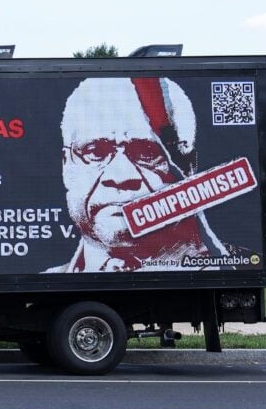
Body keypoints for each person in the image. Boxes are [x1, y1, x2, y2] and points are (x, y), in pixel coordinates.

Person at [48, 77, 246, 273]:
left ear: (188, 168)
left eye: (147, 153)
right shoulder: (52, 277)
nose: (121, 177)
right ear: (66, 165)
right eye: (95, 152)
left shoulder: (229, 267)